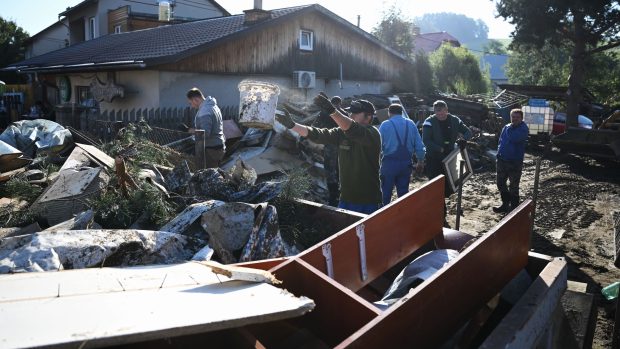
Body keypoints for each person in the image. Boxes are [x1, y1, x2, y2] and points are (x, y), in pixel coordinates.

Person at [276, 95, 382, 214]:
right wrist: (292, 125)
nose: (351, 116)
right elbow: (317, 134)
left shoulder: (372, 134)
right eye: (350, 113)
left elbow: (353, 129)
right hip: (346, 198)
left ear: (368, 117)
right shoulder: (342, 133)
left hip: (367, 200)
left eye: (355, 113)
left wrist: (332, 111)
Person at [422, 100, 472, 223]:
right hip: (434, 158)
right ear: (434, 111)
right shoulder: (428, 122)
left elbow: (468, 132)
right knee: (436, 186)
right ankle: (441, 214)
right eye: (437, 112)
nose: (440, 114)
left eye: (442, 112)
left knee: (453, 183)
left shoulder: (455, 120)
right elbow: (426, 141)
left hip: (451, 157)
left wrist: (463, 140)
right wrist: (440, 148)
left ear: (446, 110)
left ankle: (454, 206)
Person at [379, 103, 426, 205]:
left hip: (389, 164)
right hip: (406, 164)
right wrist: (420, 162)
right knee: (404, 194)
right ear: (401, 113)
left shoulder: (385, 125)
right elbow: (419, 145)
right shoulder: (411, 124)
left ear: (389, 113)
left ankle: (383, 217)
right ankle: (404, 217)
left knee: (385, 194)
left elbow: (378, 146)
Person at [493, 108, 529, 213]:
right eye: (513, 117)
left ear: (522, 118)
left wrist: (510, 128)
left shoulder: (523, 129)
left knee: (514, 186)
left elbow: (514, 138)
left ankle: (514, 209)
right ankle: (505, 204)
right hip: (501, 160)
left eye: (517, 117)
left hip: (514, 162)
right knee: (500, 183)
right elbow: (501, 141)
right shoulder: (506, 127)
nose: (515, 119)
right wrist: (498, 153)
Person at [312, 96, 344, 206]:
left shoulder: (324, 113)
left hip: (330, 144)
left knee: (330, 169)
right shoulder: (343, 113)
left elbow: (315, 126)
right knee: (340, 168)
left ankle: (333, 196)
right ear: (339, 103)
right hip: (343, 145)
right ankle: (341, 192)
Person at [186, 87, 225, 168]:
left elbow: (205, 133)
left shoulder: (205, 111)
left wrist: (190, 130)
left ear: (196, 99)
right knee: (216, 172)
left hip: (211, 149)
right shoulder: (214, 106)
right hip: (218, 146)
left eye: (191, 103)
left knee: (210, 175)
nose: (192, 106)